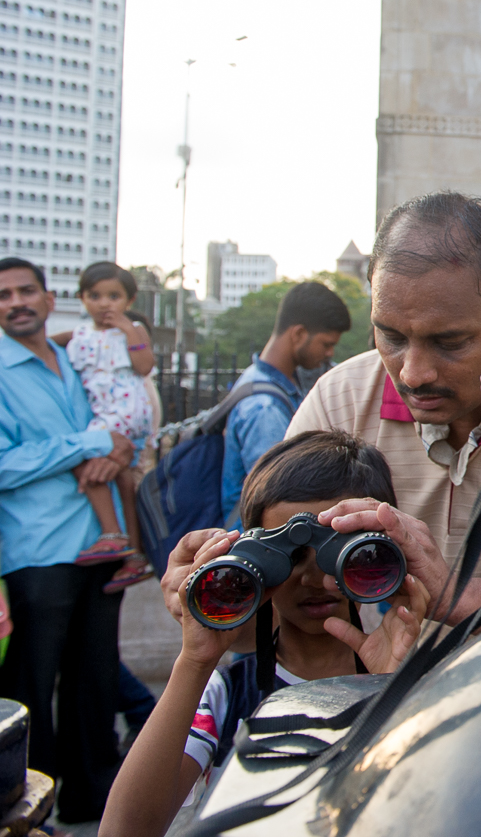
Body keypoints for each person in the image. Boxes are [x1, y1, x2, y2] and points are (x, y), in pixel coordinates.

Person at [98, 430, 429, 837]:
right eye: (289, 558)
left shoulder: (417, 681)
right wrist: (196, 660)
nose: (312, 577)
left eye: (341, 554)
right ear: (253, 556)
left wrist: (393, 688)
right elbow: (124, 831)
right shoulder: (225, 695)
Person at [286, 192, 481, 619]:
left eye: (449, 342)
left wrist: (463, 599)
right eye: (391, 337)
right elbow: (284, 600)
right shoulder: (339, 401)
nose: (413, 375)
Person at [0, 257, 135, 823]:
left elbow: (116, 415)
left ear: (50, 298)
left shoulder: (73, 355)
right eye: (3, 295)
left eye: (26, 290)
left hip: (99, 543)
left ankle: (93, 800)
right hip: (38, 551)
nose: (16, 302)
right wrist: (88, 443)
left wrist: (114, 447)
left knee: (96, 678)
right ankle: (31, 805)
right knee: (33, 685)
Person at [52, 262, 157, 591]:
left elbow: (144, 366)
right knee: (123, 479)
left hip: (121, 413)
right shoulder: (80, 334)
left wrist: (128, 330)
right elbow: (47, 344)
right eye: (94, 296)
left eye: (114, 296)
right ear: (82, 298)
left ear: (128, 299)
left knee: (83, 458)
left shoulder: (133, 330)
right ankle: (135, 555)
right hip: (106, 414)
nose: (104, 303)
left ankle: (111, 535)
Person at [221, 280, 350, 528]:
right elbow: (280, 493)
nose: (329, 353)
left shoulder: (260, 379)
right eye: (326, 344)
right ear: (299, 334)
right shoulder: (264, 408)